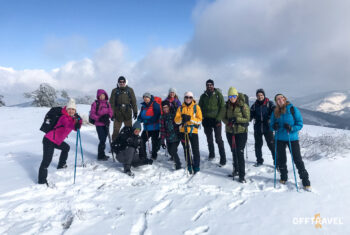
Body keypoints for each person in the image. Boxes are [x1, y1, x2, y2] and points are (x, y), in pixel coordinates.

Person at [270, 94, 311, 190]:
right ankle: (283, 177)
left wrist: (292, 128)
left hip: (292, 138)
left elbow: (300, 123)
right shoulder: (275, 111)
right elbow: (271, 124)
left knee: (297, 159)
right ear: (276, 101)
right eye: (278, 99)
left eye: (281, 98)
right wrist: (274, 127)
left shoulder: (292, 109)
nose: (280, 100)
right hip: (279, 138)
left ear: (284, 99)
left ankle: (305, 181)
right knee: (281, 160)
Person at [38, 99, 82, 185]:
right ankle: (42, 181)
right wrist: (76, 123)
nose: (71, 111)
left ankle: (61, 165)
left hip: (56, 141)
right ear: (66, 109)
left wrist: (78, 121)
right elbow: (68, 125)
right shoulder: (64, 117)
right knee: (46, 161)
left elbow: (76, 128)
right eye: (69, 109)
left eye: (73, 109)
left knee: (66, 147)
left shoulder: (72, 118)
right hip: (49, 140)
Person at [222, 87, 250, 183]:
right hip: (230, 132)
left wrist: (237, 119)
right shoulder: (226, 106)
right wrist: (228, 122)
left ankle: (242, 176)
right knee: (233, 151)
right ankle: (236, 170)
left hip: (241, 132)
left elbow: (247, 118)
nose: (232, 98)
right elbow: (223, 117)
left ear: (237, 96)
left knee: (239, 152)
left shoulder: (243, 106)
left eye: (234, 96)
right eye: (230, 96)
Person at [199, 79, 226, 165]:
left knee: (218, 139)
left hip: (216, 120)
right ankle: (212, 154)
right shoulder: (203, 96)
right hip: (206, 120)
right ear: (206, 86)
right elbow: (199, 108)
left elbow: (223, 107)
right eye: (208, 85)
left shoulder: (218, 95)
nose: (209, 86)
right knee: (209, 139)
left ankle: (223, 158)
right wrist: (202, 118)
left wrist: (219, 118)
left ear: (213, 86)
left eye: (211, 85)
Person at [175, 92, 203, 174]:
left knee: (195, 149)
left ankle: (196, 165)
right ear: (184, 98)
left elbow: (199, 120)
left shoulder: (196, 107)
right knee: (186, 149)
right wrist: (182, 119)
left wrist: (190, 118)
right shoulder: (180, 108)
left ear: (192, 98)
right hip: (183, 131)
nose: (188, 99)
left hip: (193, 131)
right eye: (186, 97)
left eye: (190, 97)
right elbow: (176, 121)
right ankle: (189, 164)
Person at [250, 88, 276, 167]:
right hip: (257, 127)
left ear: (264, 95)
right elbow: (250, 116)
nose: (260, 97)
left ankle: (277, 162)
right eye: (258, 95)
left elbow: (275, 111)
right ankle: (259, 161)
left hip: (268, 127)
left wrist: (271, 118)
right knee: (258, 145)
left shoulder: (269, 103)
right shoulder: (254, 105)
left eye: (261, 95)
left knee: (271, 145)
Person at [110, 76, 138, 141]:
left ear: (125, 82)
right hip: (117, 113)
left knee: (129, 130)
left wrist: (135, 112)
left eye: (123, 82)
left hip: (127, 113)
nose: (122, 83)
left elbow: (134, 102)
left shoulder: (130, 90)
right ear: (118, 82)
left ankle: (130, 145)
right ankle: (114, 145)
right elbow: (112, 104)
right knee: (116, 130)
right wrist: (112, 114)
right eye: (120, 82)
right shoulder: (114, 91)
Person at [89, 89, 113, 161]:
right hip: (99, 124)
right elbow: (92, 114)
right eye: (100, 96)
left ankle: (102, 154)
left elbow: (111, 112)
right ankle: (100, 155)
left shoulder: (107, 104)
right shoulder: (95, 104)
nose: (102, 97)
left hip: (106, 123)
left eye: (103, 95)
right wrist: (100, 118)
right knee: (102, 139)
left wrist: (109, 116)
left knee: (104, 139)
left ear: (105, 95)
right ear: (98, 96)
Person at [137, 92, 161, 160]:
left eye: (147, 97)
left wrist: (148, 121)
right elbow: (140, 115)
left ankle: (154, 155)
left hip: (155, 127)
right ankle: (143, 155)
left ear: (150, 98)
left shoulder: (155, 105)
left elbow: (157, 116)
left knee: (154, 142)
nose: (145, 99)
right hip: (146, 128)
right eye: (144, 97)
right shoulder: (143, 106)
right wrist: (139, 119)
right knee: (141, 140)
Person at [160, 100, 181, 170]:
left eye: (166, 107)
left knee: (173, 150)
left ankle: (178, 164)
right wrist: (162, 141)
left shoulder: (174, 114)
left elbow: (179, 124)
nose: (165, 109)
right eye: (164, 107)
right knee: (170, 151)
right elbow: (162, 129)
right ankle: (174, 157)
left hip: (176, 136)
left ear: (169, 107)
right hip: (168, 138)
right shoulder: (162, 117)